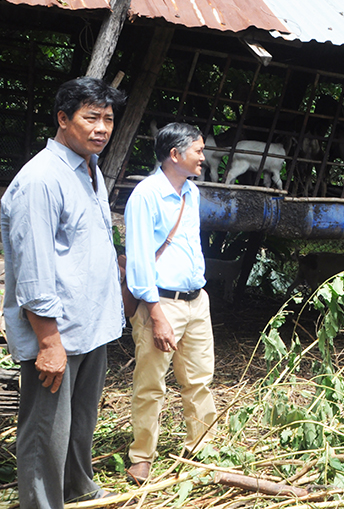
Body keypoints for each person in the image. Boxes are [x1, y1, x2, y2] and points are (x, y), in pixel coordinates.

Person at [1, 77, 126, 509]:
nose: (102, 128)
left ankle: (78, 485)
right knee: (45, 429)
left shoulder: (89, 170)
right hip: (56, 330)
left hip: (90, 322)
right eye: (90, 117)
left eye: (108, 119)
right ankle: (40, 503)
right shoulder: (40, 179)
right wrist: (49, 342)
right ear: (62, 119)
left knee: (80, 421)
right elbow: (33, 271)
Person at [125, 122, 216, 484]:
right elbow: (139, 260)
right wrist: (156, 314)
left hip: (196, 301)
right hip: (161, 303)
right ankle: (142, 455)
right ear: (175, 155)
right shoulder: (145, 196)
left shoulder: (190, 193)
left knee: (199, 379)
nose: (203, 157)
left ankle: (202, 447)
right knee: (150, 383)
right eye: (198, 150)